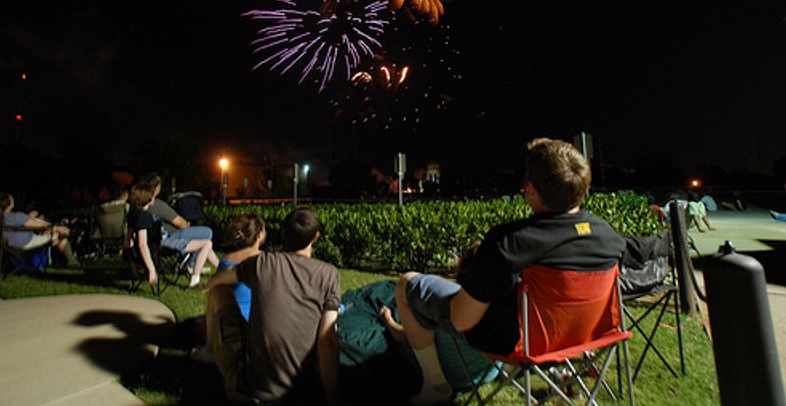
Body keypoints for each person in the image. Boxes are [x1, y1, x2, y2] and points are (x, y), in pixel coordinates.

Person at [394, 137, 627, 404]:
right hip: (581, 338)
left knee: (407, 283)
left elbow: (461, 320)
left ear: (530, 189)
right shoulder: (607, 236)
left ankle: (435, 384)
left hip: (516, 342)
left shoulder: (509, 242)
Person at [201, 206, 342, 405]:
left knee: (219, 291)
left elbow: (222, 278)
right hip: (301, 392)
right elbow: (327, 339)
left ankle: (208, 350)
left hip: (250, 388)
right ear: (316, 237)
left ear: (284, 234)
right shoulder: (329, 274)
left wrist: (208, 284)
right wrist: (333, 398)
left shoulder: (263, 263)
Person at [189, 212, 267, 363]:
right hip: (258, 327)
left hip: (227, 324)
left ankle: (209, 348)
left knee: (214, 296)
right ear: (259, 235)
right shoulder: (264, 261)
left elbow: (212, 286)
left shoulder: (226, 260)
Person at [127, 183, 218, 289]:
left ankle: (222, 268)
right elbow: (142, 244)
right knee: (207, 243)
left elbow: (129, 239)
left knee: (206, 243)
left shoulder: (133, 213)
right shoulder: (144, 217)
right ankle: (194, 282)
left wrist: (131, 258)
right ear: (146, 198)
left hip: (162, 242)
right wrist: (151, 269)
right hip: (164, 244)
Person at [137, 172, 216, 272]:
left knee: (202, 238)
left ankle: (220, 268)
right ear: (156, 188)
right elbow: (181, 223)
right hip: (168, 239)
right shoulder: (156, 205)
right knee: (206, 232)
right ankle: (191, 265)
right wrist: (187, 224)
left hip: (153, 242)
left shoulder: (137, 207)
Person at [0, 192, 79, 268]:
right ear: (8, 204)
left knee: (51, 234)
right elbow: (40, 225)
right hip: (23, 245)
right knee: (59, 236)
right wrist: (58, 228)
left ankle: (66, 261)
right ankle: (71, 262)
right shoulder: (15, 216)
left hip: (4, 247)